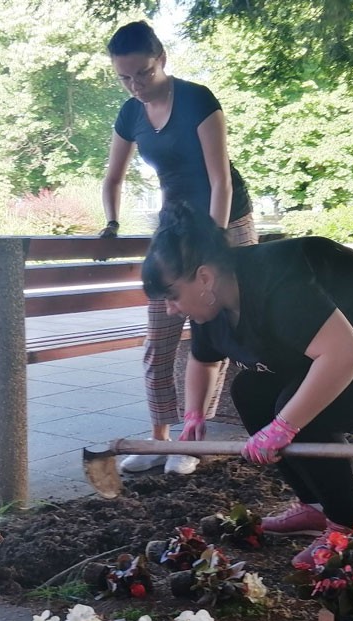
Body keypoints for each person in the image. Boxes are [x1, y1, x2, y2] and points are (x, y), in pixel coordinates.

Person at [141, 204, 353, 556]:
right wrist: (194, 415)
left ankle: (346, 528)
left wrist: (284, 426)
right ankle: (315, 509)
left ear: (204, 278)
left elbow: (344, 354)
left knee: (299, 412)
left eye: (171, 296)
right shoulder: (211, 306)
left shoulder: (277, 281)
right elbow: (203, 361)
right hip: (345, 346)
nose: (170, 309)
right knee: (250, 391)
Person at [100, 20, 256, 476]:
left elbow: (219, 179)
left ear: (162, 59)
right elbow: (112, 177)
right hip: (174, 228)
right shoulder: (130, 113)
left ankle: (193, 439)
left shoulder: (197, 100)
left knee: (216, 333)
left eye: (143, 74)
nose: (135, 85)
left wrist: (212, 245)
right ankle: (160, 437)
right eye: (124, 78)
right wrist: (110, 222)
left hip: (226, 222)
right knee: (160, 337)